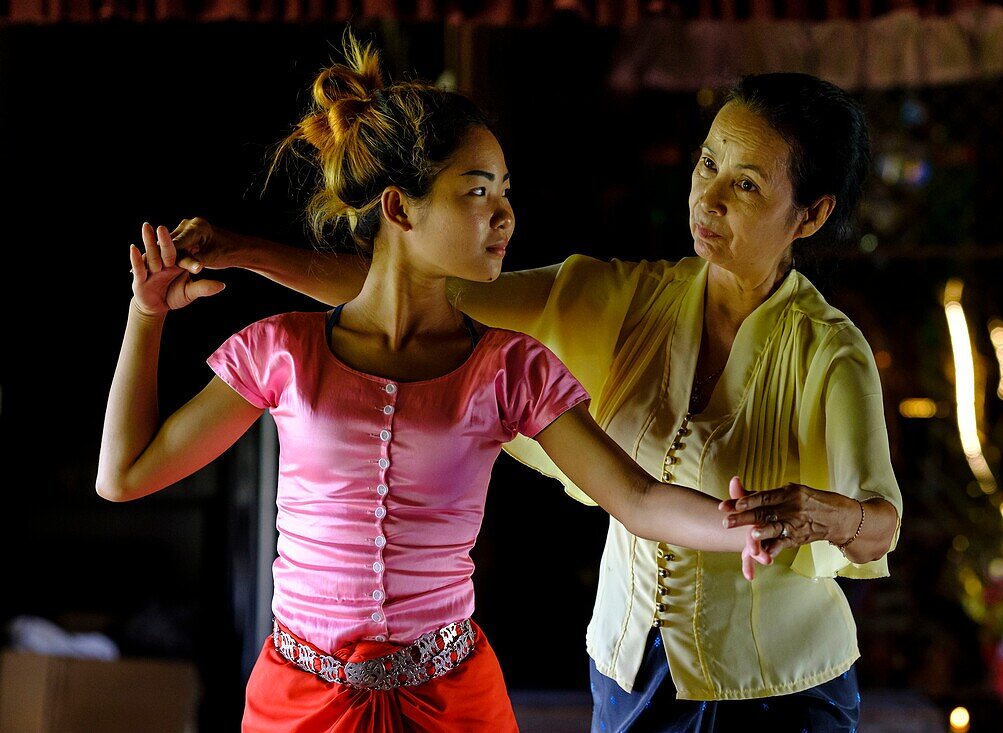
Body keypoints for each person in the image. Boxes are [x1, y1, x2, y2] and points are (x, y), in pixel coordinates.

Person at [170, 71, 903, 731]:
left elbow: (880, 524)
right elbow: (416, 290)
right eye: (709, 163)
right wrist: (249, 253)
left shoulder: (829, 350)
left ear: (808, 216)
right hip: (629, 675)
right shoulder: (624, 297)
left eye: (746, 185)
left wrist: (833, 515)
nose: (707, 196)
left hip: (778, 695)